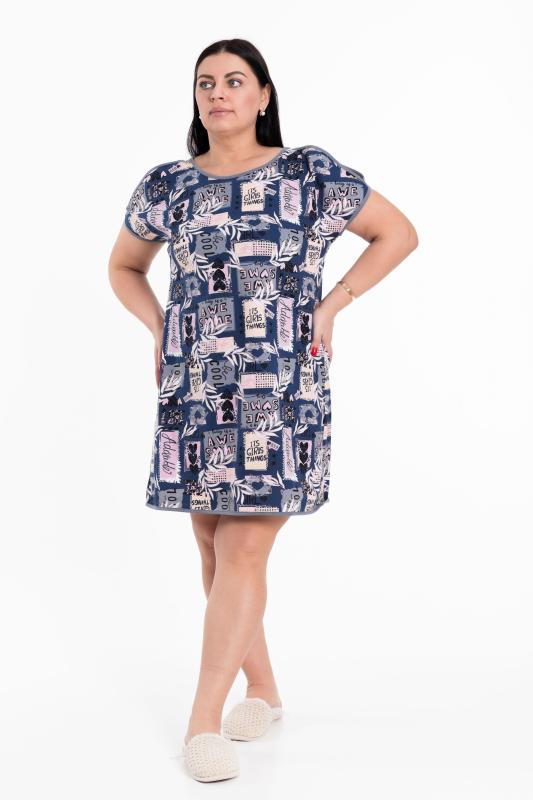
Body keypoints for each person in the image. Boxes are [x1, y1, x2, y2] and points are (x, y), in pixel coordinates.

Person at [108, 38, 418, 782]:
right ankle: (265, 690)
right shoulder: (168, 186)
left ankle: (201, 723)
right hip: (196, 386)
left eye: (234, 80)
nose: (218, 93)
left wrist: (332, 306)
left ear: (263, 95)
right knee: (214, 547)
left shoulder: (307, 174)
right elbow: (123, 266)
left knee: (244, 547)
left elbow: (397, 233)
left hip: (281, 385)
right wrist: (160, 326)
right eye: (205, 83)